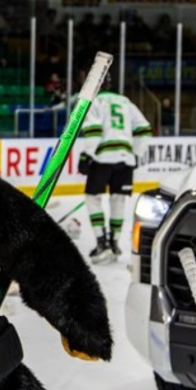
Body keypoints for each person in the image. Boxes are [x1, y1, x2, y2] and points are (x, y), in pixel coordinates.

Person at [79, 74, 153, 264]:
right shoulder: (125, 101)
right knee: (118, 200)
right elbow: (144, 128)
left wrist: (87, 154)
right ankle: (114, 243)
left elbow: (94, 129)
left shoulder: (93, 101)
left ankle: (102, 243)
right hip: (125, 158)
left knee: (93, 198)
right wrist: (136, 152)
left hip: (103, 156)